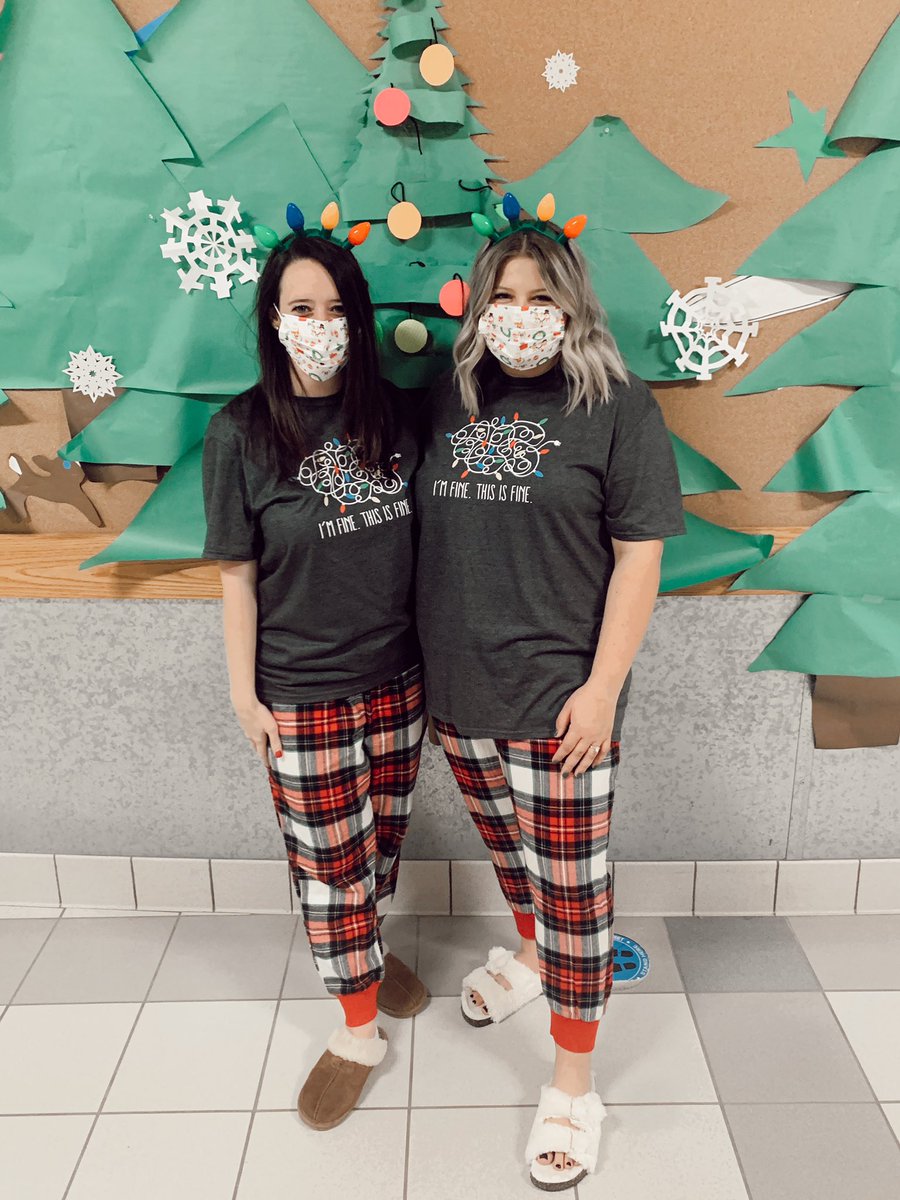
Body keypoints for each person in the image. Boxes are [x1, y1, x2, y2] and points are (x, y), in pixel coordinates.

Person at [414, 195, 685, 1190]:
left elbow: (640, 559)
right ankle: (530, 960)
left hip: (563, 704)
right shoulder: (445, 400)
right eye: (503, 294)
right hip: (459, 693)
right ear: (479, 306)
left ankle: (574, 1085)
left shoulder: (618, 406)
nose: (519, 311)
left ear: (571, 308)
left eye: (539, 295)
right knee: (509, 855)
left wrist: (605, 689)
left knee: (574, 898)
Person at [201, 207, 427, 1133]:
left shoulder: (396, 419)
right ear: (272, 317)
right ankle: (357, 1028)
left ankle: (365, 952)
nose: (319, 324)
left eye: (336, 307)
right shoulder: (240, 432)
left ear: (357, 317)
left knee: (377, 852)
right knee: (328, 870)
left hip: (400, 684)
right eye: (301, 306)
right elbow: (236, 576)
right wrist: (243, 692)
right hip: (300, 693)